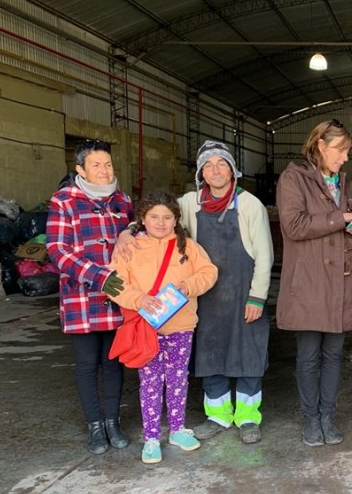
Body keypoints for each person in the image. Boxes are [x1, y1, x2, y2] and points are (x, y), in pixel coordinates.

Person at [276, 120, 352, 447]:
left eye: (347, 151)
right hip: (309, 285)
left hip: (341, 284)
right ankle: (311, 418)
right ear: (320, 145)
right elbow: (294, 226)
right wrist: (341, 218)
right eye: (340, 150)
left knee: (333, 355)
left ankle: (327, 417)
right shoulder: (293, 179)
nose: (345, 158)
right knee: (308, 355)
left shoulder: (348, 187)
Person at [109, 190, 218, 464]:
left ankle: (178, 430)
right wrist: (138, 299)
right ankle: (151, 438)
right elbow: (113, 283)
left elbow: (209, 272)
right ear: (143, 219)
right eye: (154, 216)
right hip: (147, 329)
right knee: (150, 383)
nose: (160, 222)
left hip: (181, 327)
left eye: (167, 217)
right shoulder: (130, 247)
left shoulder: (187, 247)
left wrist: (189, 285)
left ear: (176, 220)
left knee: (178, 379)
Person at [180, 141, 274, 445]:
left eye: (222, 164)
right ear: (201, 173)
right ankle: (218, 416)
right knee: (210, 355)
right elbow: (158, 218)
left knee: (249, 356)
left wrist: (257, 297)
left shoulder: (249, 205)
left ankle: (248, 417)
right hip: (206, 297)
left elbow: (264, 256)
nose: (216, 170)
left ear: (233, 170)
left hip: (244, 295)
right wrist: (131, 231)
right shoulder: (190, 203)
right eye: (208, 165)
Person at [47, 139, 134, 454]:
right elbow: (57, 250)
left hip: (117, 296)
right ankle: (95, 426)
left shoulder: (122, 200)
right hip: (81, 297)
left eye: (108, 164)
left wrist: (130, 230)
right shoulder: (64, 201)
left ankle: (112, 422)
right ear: (80, 169)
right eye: (96, 165)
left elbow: (137, 231)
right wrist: (99, 276)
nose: (104, 170)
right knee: (87, 364)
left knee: (113, 363)